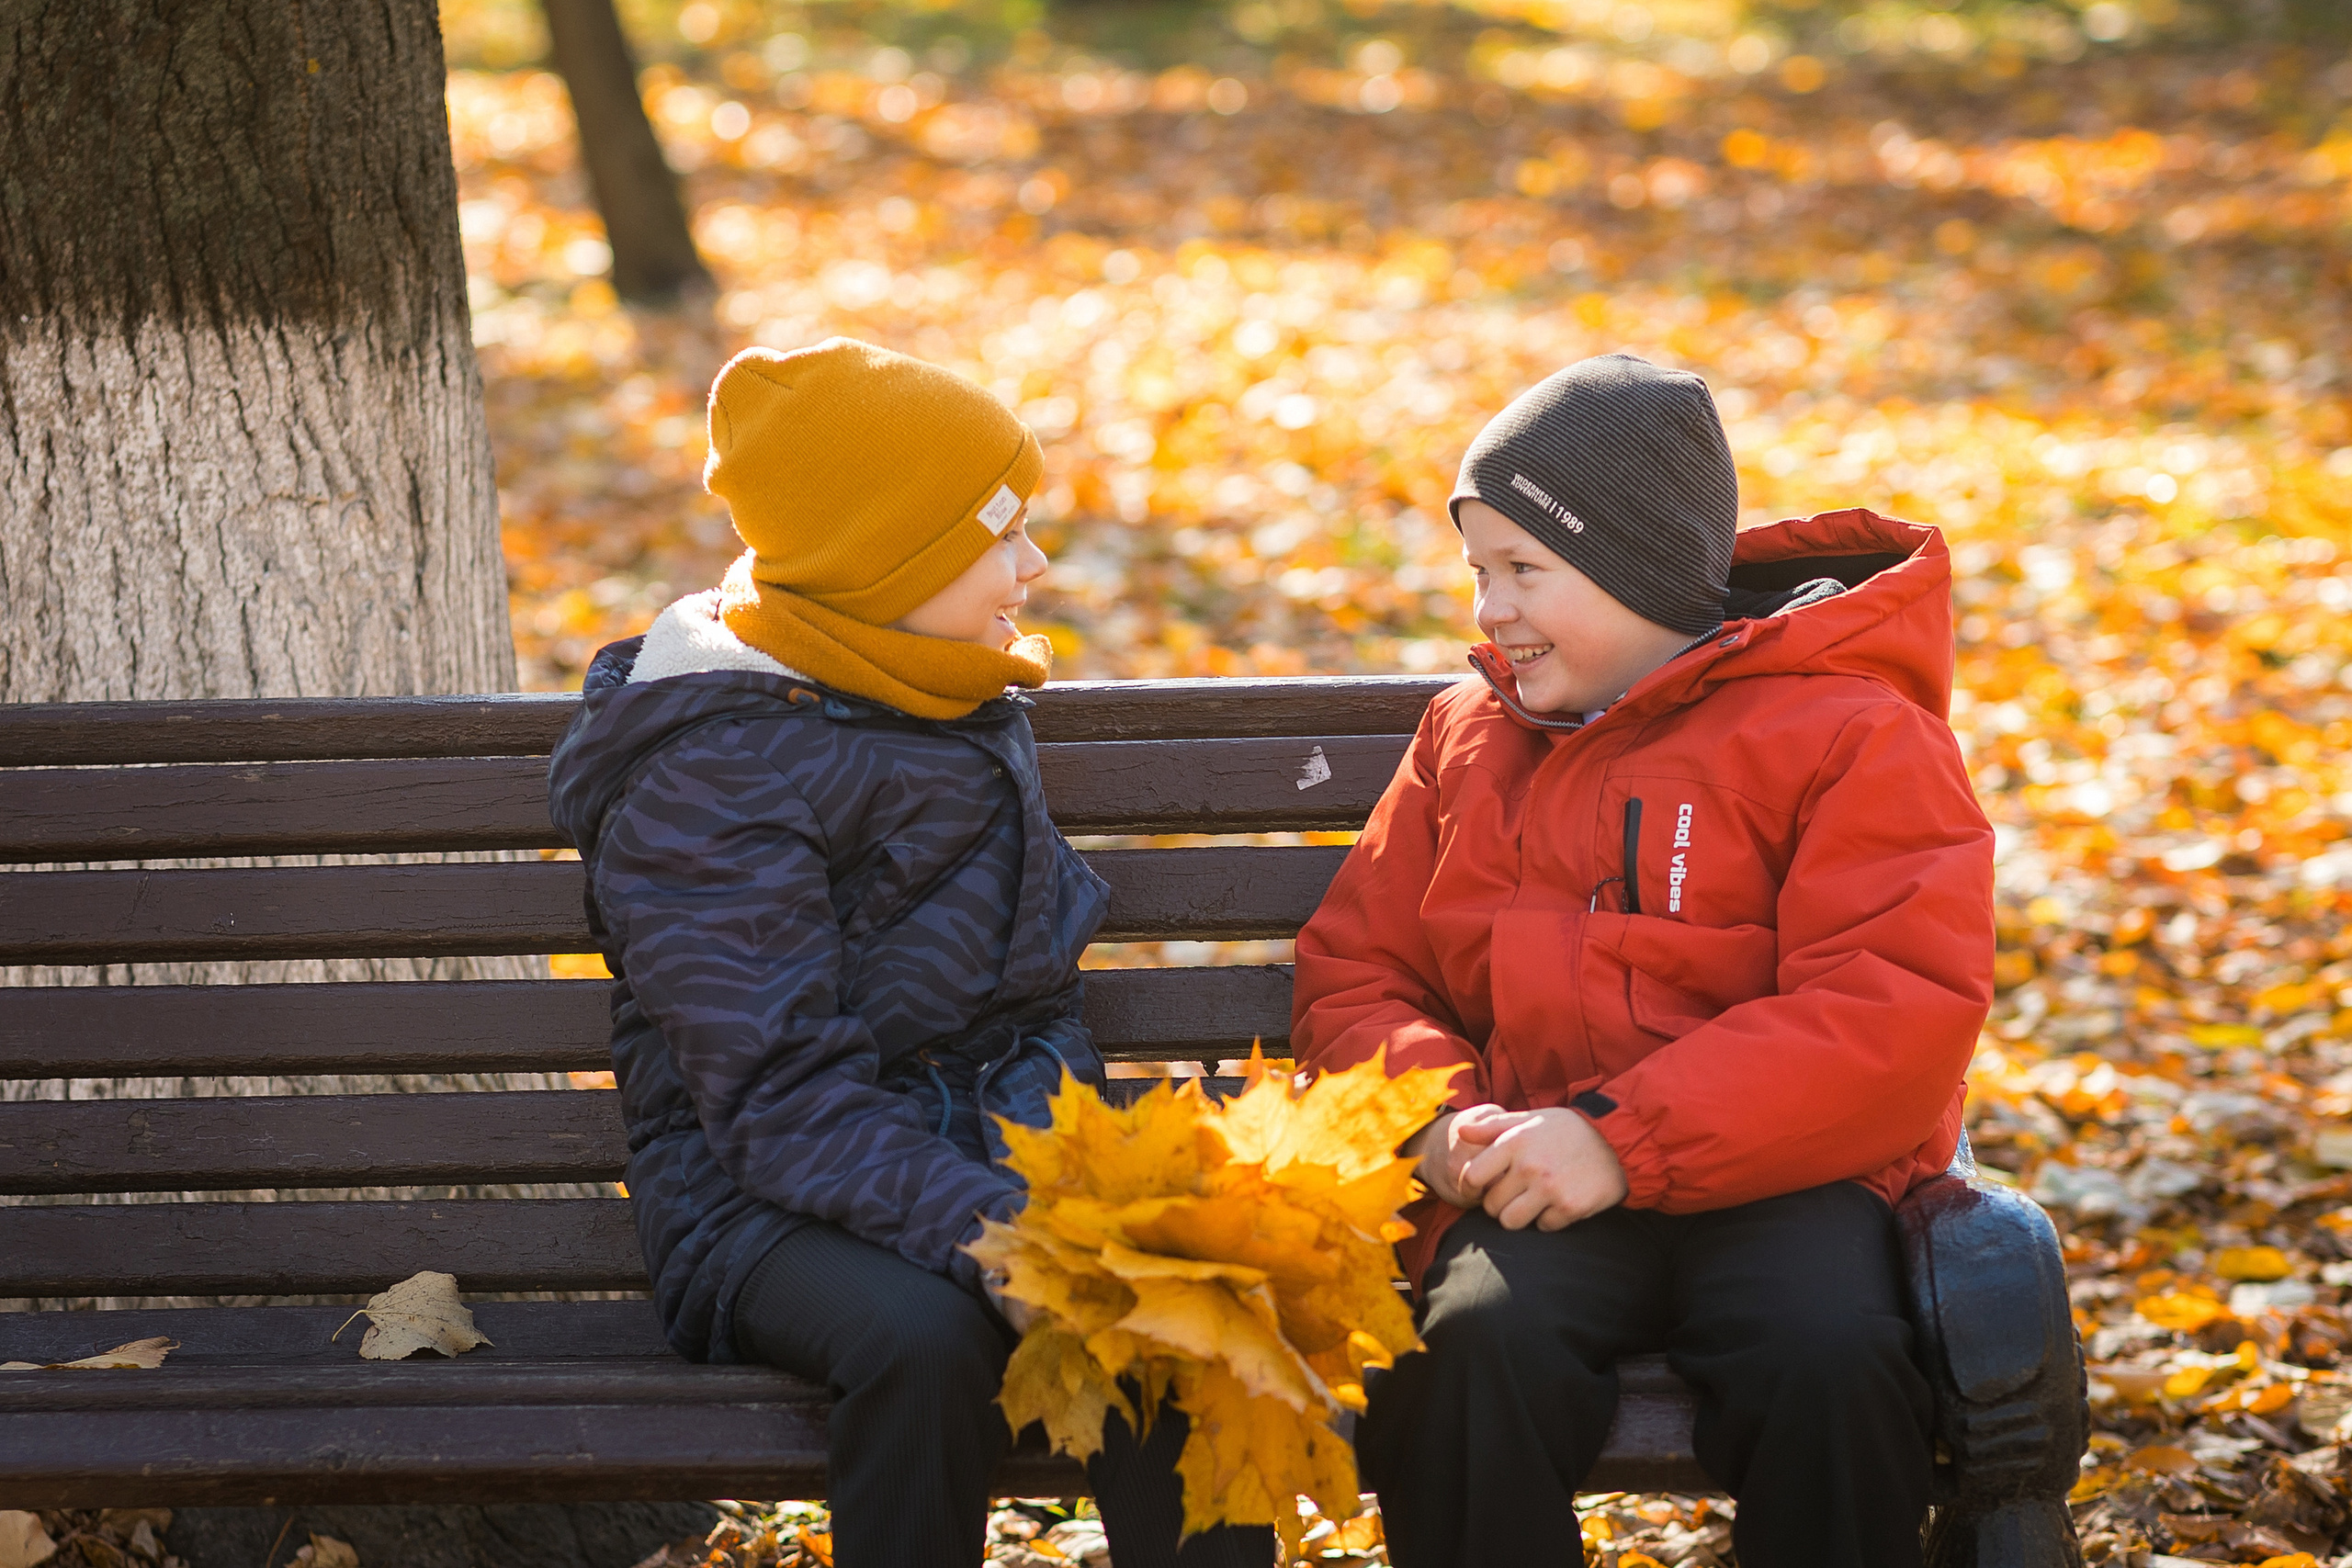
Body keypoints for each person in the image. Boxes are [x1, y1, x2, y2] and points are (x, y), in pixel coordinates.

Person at [548, 338, 1271, 1568]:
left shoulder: (940, 691)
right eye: (1000, 533)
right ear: (885, 559)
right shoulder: (711, 770)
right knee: (923, 1340)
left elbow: (1029, 1003)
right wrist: (997, 1231)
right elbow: (776, 1098)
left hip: (987, 1168)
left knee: (1174, 1312)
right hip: (762, 1203)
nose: (1035, 564)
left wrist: (1077, 1204)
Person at [1290, 354, 1996, 1568]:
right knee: (1464, 1349)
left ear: (1642, 574)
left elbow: (1889, 1010)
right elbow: (1360, 969)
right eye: (1479, 571)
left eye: (1525, 571)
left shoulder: (1847, 730)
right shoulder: (1469, 734)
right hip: (1530, 1173)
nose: (1490, 610)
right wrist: (1439, 1123)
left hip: (1794, 1184)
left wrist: (1623, 1140)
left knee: (1832, 1361)